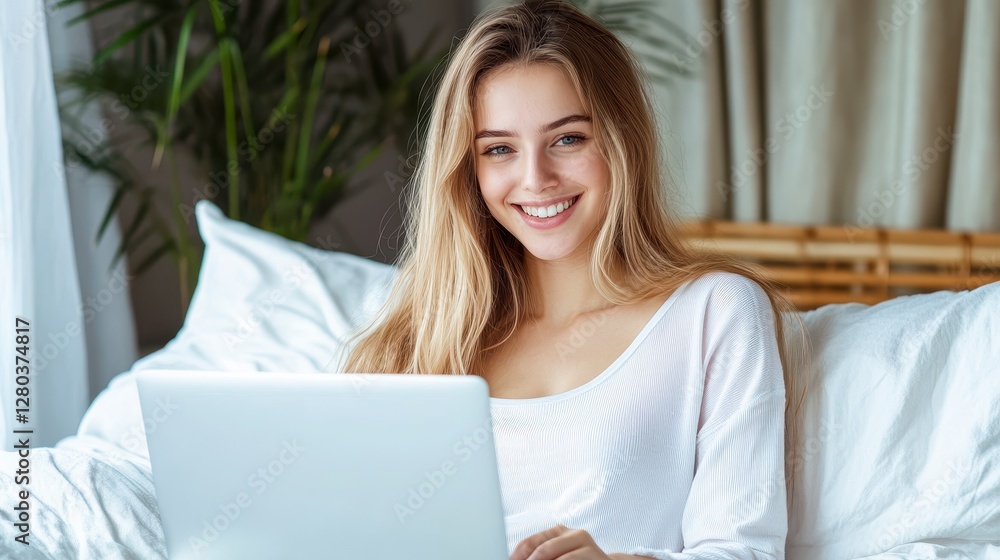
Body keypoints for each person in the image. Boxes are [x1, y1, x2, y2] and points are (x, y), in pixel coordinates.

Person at [344, 1, 807, 558]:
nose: (535, 179)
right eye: (499, 149)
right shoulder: (419, 341)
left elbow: (745, 549)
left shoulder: (715, 312)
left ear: (620, 141)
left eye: (568, 139)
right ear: (468, 169)